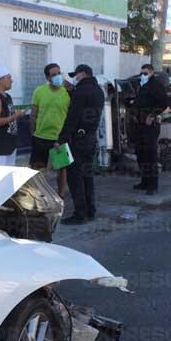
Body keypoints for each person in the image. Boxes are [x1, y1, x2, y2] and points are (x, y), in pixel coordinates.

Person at [55, 64, 104, 225]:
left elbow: (72, 118)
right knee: (87, 175)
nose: (74, 78)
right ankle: (91, 210)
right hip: (91, 137)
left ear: (82, 74)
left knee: (75, 178)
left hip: (78, 140)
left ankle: (80, 214)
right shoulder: (98, 90)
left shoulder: (81, 92)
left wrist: (61, 139)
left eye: (75, 75)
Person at [29, 63, 70, 197]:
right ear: (48, 78)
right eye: (54, 74)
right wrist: (33, 134)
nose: (58, 76)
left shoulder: (67, 92)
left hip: (60, 138)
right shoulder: (39, 91)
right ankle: (38, 196)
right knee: (38, 169)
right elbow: (33, 114)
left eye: (59, 73)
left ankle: (61, 195)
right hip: (40, 137)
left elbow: (71, 115)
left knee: (61, 168)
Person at [133, 64, 169, 195]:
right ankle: (144, 181)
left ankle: (153, 186)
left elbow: (164, 103)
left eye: (145, 73)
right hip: (140, 124)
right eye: (141, 73)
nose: (143, 75)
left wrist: (152, 115)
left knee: (150, 155)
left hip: (151, 125)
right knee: (141, 153)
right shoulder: (142, 85)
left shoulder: (156, 85)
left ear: (152, 72)